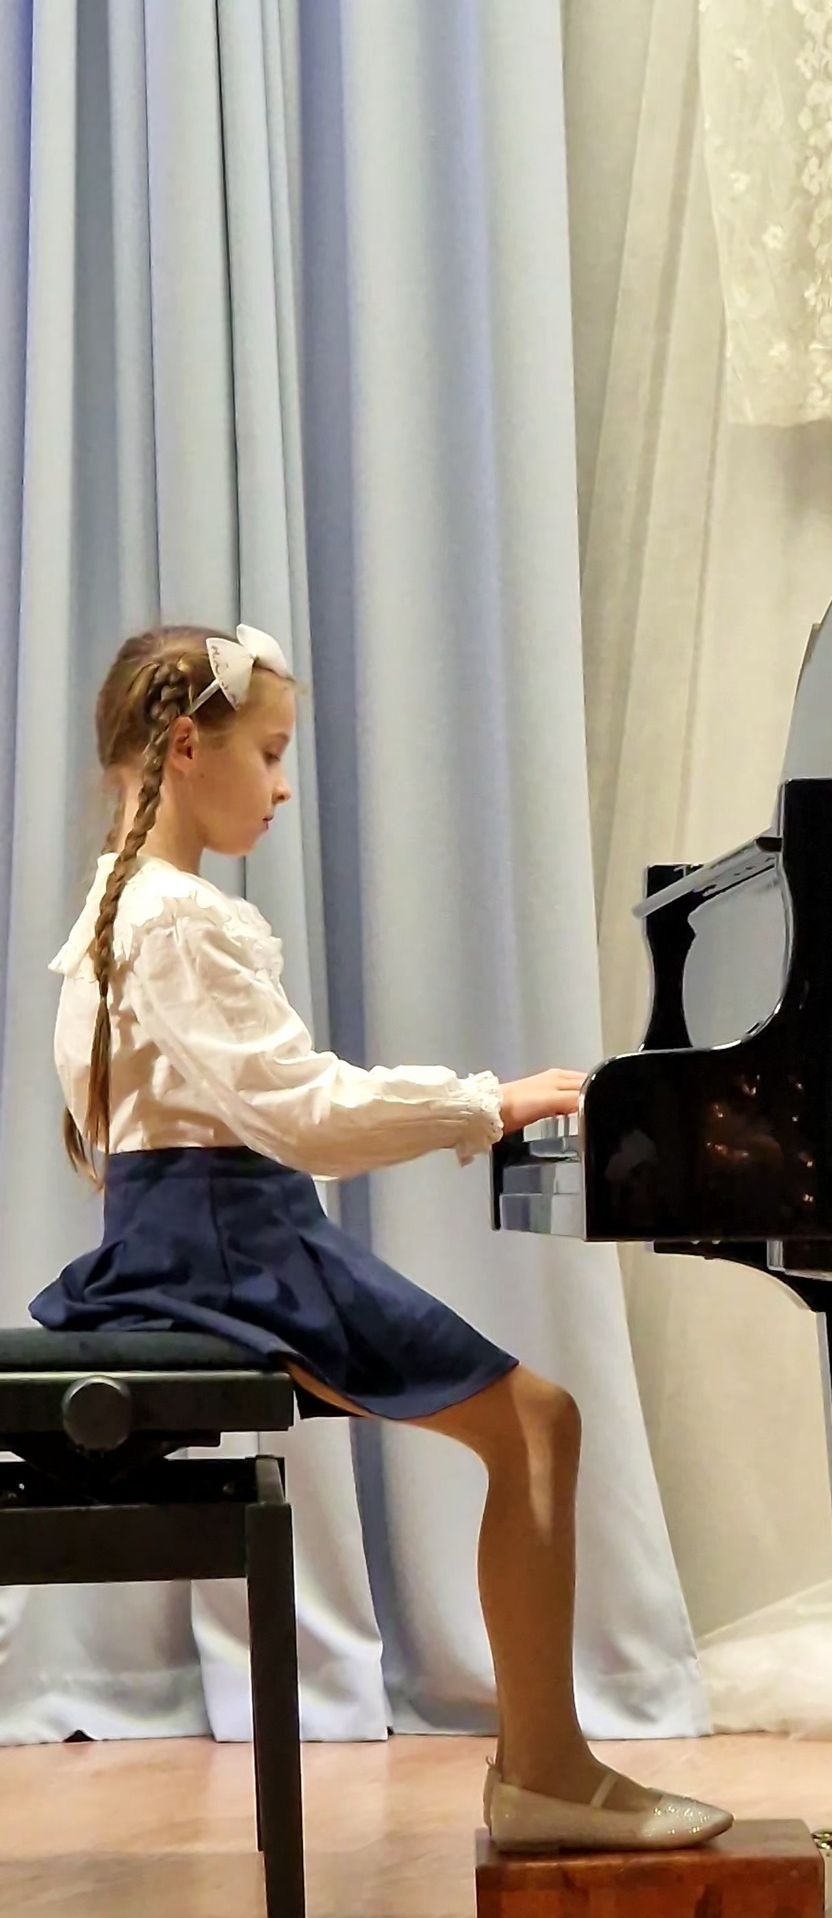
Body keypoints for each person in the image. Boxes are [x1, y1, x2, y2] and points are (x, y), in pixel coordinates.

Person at [32, 623, 731, 1855]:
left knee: (540, 1421)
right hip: (232, 1248)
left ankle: (548, 1764)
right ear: (186, 747)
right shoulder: (176, 917)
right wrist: (485, 1100)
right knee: (538, 1422)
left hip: (200, 1234)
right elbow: (303, 1113)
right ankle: (546, 1772)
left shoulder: (119, 907)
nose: (281, 784)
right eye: (269, 752)